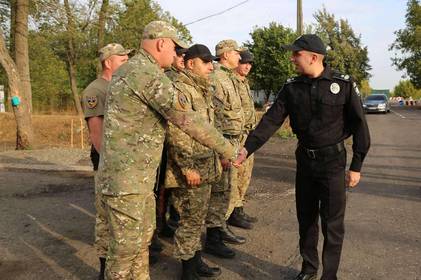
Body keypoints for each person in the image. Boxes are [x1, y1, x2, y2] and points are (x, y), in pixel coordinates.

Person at [95, 21, 237, 280]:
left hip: (134, 179)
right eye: (174, 47)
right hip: (128, 182)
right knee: (125, 253)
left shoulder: (133, 70)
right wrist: (228, 149)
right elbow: (187, 119)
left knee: (139, 248)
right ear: (161, 43)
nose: (176, 54)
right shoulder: (145, 75)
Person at [234, 34, 370, 280]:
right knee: (306, 218)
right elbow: (271, 120)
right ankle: (308, 269)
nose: (292, 58)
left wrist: (356, 165)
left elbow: (360, 126)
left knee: (333, 224)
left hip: (333, 163)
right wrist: (247, 148)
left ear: (314, 57)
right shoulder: (291, 87)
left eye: (297, 54)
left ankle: (329, 275)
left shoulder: (344, 84)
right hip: (305, 162)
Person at [164, 44, 222, 279]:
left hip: (205, 165)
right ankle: (187, 272)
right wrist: (187, 167)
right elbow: (177, 132)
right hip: (191, 168)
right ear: (190, 64)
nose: (211, 66)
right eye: (206, 62)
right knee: (189, 221)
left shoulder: (200, 89)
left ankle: (196, 262)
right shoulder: (181, 90)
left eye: (212, 62)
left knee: (197, 219)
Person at [81, 42, 131, 280]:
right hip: (107, 163)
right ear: (108, 62)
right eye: (122, 60)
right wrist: (112, 166)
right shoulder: (96, 90)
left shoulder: (120, 86)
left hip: (123, 162)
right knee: (105, 218)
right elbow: (97, 135)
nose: (127, 63)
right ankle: (104, 269)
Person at [204, 39, 245, 259]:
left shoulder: (227, 77)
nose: (239, 57)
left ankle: (218, 231)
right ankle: (213, 238)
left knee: (227, 189)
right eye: (236, 53)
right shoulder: (217, 78)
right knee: (219, 191)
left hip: (231, 142)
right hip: (223, 143)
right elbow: (215, 117)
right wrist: (222, 151)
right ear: (226, 54)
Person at [226, 49, 258, 227]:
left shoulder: (244, 82)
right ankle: (232, 212)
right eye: (244, 62)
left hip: (248, 135)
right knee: (235, 175)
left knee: (245, 175)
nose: (247, 66)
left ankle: (238, 209)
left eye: (250, 63)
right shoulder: (232, 82)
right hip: (237, 136)